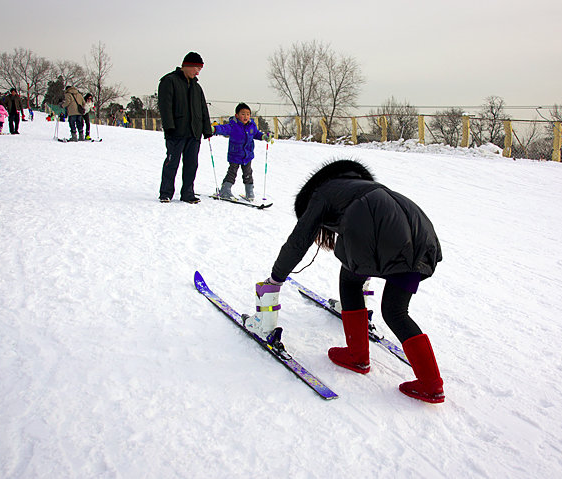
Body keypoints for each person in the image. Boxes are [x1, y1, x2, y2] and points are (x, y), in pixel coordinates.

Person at [250, 159, 445, 404]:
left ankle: (358, 356)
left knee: (350, 282)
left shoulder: (321, 194)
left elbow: (298, 242)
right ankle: (431, 384)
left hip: (382, 235)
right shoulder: (360, 186)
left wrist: (275, 278)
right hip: (421, 234)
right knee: (395, 311)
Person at [157, 51, 213, 203]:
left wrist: (206, 129)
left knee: (191, 165)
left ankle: (188, 193)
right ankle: (166, 192)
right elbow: (165, 105)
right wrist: (169, 127)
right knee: (172, 163)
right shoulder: (169, 81)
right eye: (197, 68)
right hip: (176, 131)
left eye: (200, 69)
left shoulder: (197, 87)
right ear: (187, 66)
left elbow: (203, 109)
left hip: (194, 133)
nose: (198, 72)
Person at [211, 102, 271, 200]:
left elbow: (256, 134)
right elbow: (223, 128)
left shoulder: (252, 126)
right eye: (243, 114)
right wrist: (214, 129)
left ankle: (250, 193)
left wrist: (264, 136)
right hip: (235, 154)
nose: (245, 116)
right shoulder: (233, 126)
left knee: (248, 174)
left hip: (247, 155)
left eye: (248, 114)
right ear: (237, 115)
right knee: (232, 172)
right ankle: (225, 191)